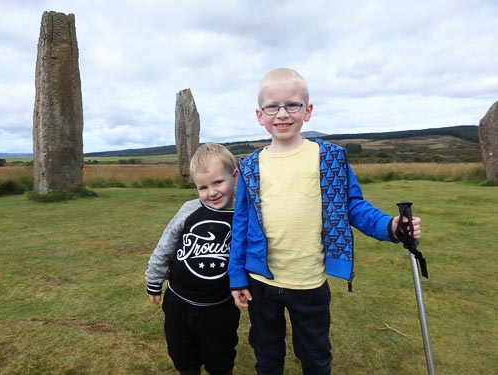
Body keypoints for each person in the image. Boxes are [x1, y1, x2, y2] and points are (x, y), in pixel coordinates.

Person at [227, 67, 422, 375]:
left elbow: (353, 206)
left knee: (316, 357)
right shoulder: (250, 166)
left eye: (292, 105)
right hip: (261, 282)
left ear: (308, 111)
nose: (282, 114)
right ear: (259, 115)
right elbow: (240, 223)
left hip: (309, 281)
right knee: (266, 354)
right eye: (272, 107)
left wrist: (391, 226)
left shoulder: (329, 157)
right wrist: (236, 275)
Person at [145, 143, 240, 375]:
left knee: (221, 356)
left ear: (234, 176)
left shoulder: (243, 214)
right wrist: (154, 279)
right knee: (182, 353)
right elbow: (165, 245)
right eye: (203, 187)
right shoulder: (190, 209)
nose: (212, 192)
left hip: (220, 306)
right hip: (179, 301)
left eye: (218, 182)